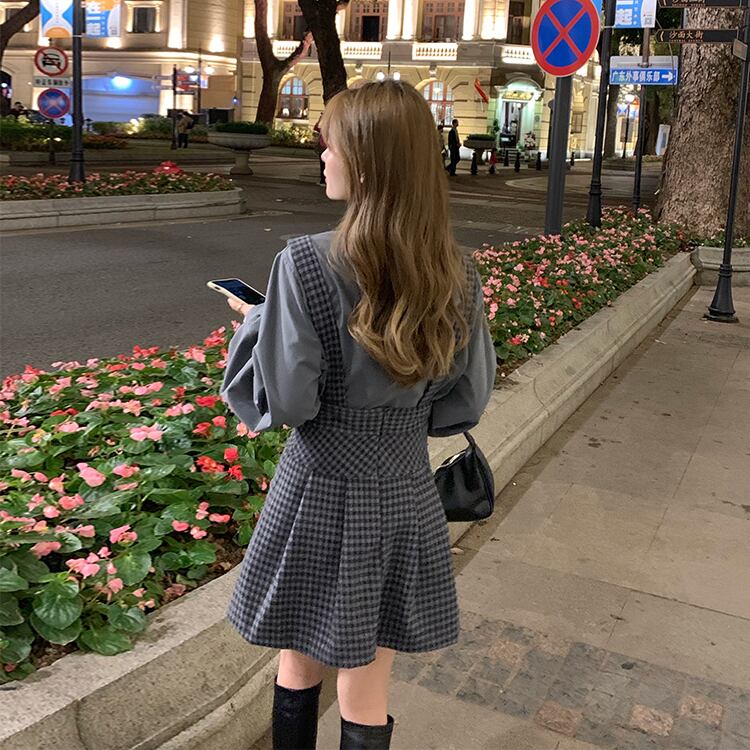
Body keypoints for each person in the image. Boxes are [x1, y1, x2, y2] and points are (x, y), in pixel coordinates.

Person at [220, 80, 495, 750]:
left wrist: (258, 324)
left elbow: (288, 403)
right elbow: (465, 402)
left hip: (316, 486)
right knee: (368, 686)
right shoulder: (457, 272)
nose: (322, 157)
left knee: (297, 660)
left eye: (331, 145)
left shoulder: (303, 263)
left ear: (368, 161)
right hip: (403, 491)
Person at [313, 114, 326, 185]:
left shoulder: (326, 124)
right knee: (323, 164)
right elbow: (316, 128)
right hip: (323, 145)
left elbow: (317, 127)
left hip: (324, 145)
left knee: (323, 164)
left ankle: (323, 180)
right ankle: (323, 180)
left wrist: (320, 119)